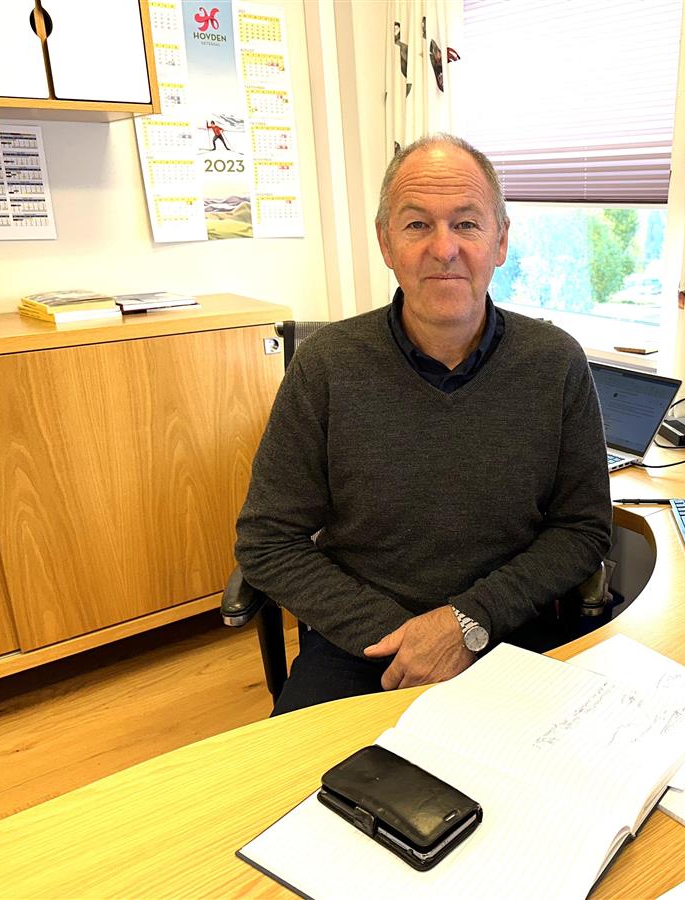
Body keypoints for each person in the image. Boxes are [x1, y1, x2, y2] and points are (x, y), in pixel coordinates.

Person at [235, 134, 612, 715]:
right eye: (417, 225)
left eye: (467, 224)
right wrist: (407, 640)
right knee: (298, 775)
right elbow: (267, 541)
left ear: (500, 241)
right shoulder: (326, 366)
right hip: (362, 641)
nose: (444, 249)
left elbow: (582, 530)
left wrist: (465, 623)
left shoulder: (555, 362)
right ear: (386, 243)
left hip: (509, 631)